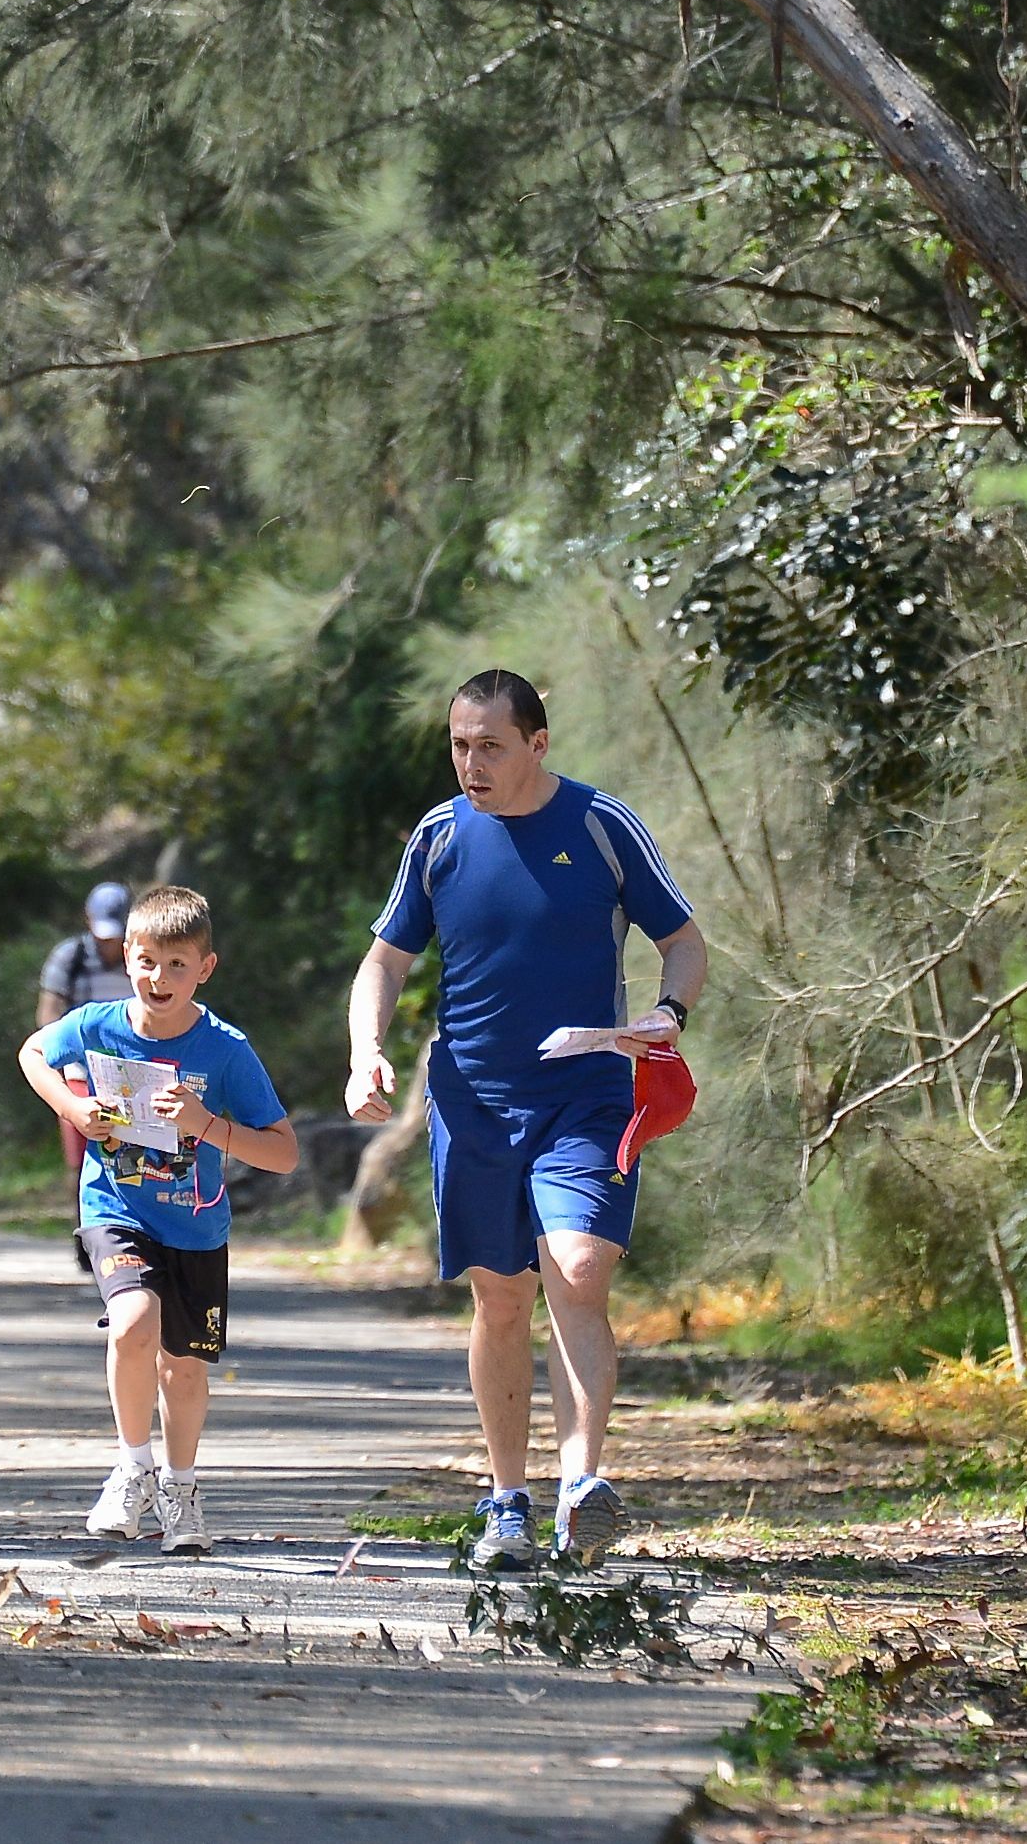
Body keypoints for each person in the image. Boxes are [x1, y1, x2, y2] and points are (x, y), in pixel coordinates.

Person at [345, 670, 709, 1572]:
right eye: (460, 744)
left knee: (577, 1270)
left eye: (490, 745)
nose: (472, 762)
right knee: (501, 1296)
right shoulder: (438, 835)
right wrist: (367, 1050)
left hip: (586, 1091)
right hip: (473, 1101)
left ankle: (581, 1487)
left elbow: (685, 940)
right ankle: (507, 1500)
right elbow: (384, 959)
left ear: (537, 743)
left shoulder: (599, 825)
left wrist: (670, 1012)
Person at [18, 885, 296, 1555]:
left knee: (185, 1369)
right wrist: (74, 1108)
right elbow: (33, 1053)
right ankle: (131, 1465)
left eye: (177, 964)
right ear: (127, 958)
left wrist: (206, 1125)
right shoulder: (94, 1024)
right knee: (133, 1319)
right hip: (115, 1207)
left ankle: (180, 1487)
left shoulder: (226, 1049)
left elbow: (283, 1152)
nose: (158, 977)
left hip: (196, 1227)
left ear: (206, 967)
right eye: (145, 961)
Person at [36, 881, 138, 1273]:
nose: (109, 944)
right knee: (82, 1157)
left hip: (131, 1073)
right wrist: (57, 1067)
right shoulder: (71, 957)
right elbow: (49, 1012)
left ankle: (129, 1236)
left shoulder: (141, 959)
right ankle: (86, 1236)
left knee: (135, 1157)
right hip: (80, 1071)